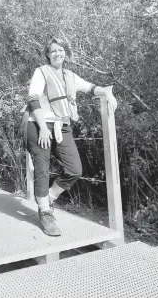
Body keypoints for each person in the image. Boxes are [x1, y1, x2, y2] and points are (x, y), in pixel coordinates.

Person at [21, 38, 118, 236]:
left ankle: (49, 196)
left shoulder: (70, 75)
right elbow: (33, 98)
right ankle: (45, 213)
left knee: (75, 169)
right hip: (38, 125)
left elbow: (90, 88)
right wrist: (43, 127)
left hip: (62, 126)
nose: (58, 53)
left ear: (65, 53)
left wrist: (107, 94)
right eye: (53, 51)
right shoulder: (41, 72)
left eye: (61, 50)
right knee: (42, 168)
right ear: (47, 55)